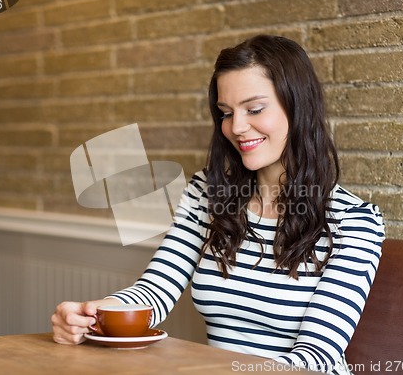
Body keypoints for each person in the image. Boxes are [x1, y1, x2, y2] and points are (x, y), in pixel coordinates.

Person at [51, 35, 385, 374]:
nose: (236, 127)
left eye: (254, 109)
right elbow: (154, 292)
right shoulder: (206, 196)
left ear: (298, 107)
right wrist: (94, 314)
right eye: (226, 113)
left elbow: (316, 357)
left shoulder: (354, 222)